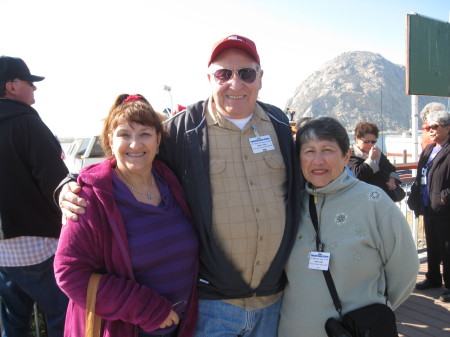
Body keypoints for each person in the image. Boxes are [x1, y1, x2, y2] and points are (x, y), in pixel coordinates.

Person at [57, 34, 301, 336]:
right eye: (224, 74)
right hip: (213, 305)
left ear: (260, 78)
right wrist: (68, 185)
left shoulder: (279, 124)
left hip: (272, 301)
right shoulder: (182, 130)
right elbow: (130, 159)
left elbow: (314, 175)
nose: (235, 84)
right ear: (209, 79)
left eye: (246, 73)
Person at [54, 94, 199, 337]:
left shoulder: (172, 182)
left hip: (182, 328)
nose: (135, 144)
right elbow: (69, 272)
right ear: (110, 140)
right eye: (124, 134)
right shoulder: (89, 199)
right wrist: (148, 308)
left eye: (145, 133)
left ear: (158, 140)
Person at [278, 117, 419, 336]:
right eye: (309, 151)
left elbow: (405, 270)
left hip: (355, 330)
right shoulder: (293, 204)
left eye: (327, 150)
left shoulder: (374, 202)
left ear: (346, 156)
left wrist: (376, 311)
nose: (317, 160)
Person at [0, 56, 69, 336]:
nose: (34, 89)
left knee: (14, 324)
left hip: (2, 255)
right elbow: (57, 184)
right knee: (62, 318)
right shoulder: (27, 123)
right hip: (39, 248)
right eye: (30, 82)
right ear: (11, 86)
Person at [407, 109, 450, 302]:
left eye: (435, 127)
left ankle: (449, 286)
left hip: (444, 208)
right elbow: (421, 176)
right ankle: (433, 277)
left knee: (447, 248)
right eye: (427, 127)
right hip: (428, 205)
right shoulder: (428, 150)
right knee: (432, 244)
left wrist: (445, 197)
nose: (430, 130)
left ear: (447, 128)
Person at [348, 121, 401, 201]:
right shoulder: (351, 155)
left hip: (383, 198)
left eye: (373, 141)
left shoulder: (378, 154)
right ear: (357, 139)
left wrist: (392, 180)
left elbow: (391, 169)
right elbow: (357, 174)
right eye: (366, 141)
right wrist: (371, 159)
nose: (370, 144)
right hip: (363, 199)